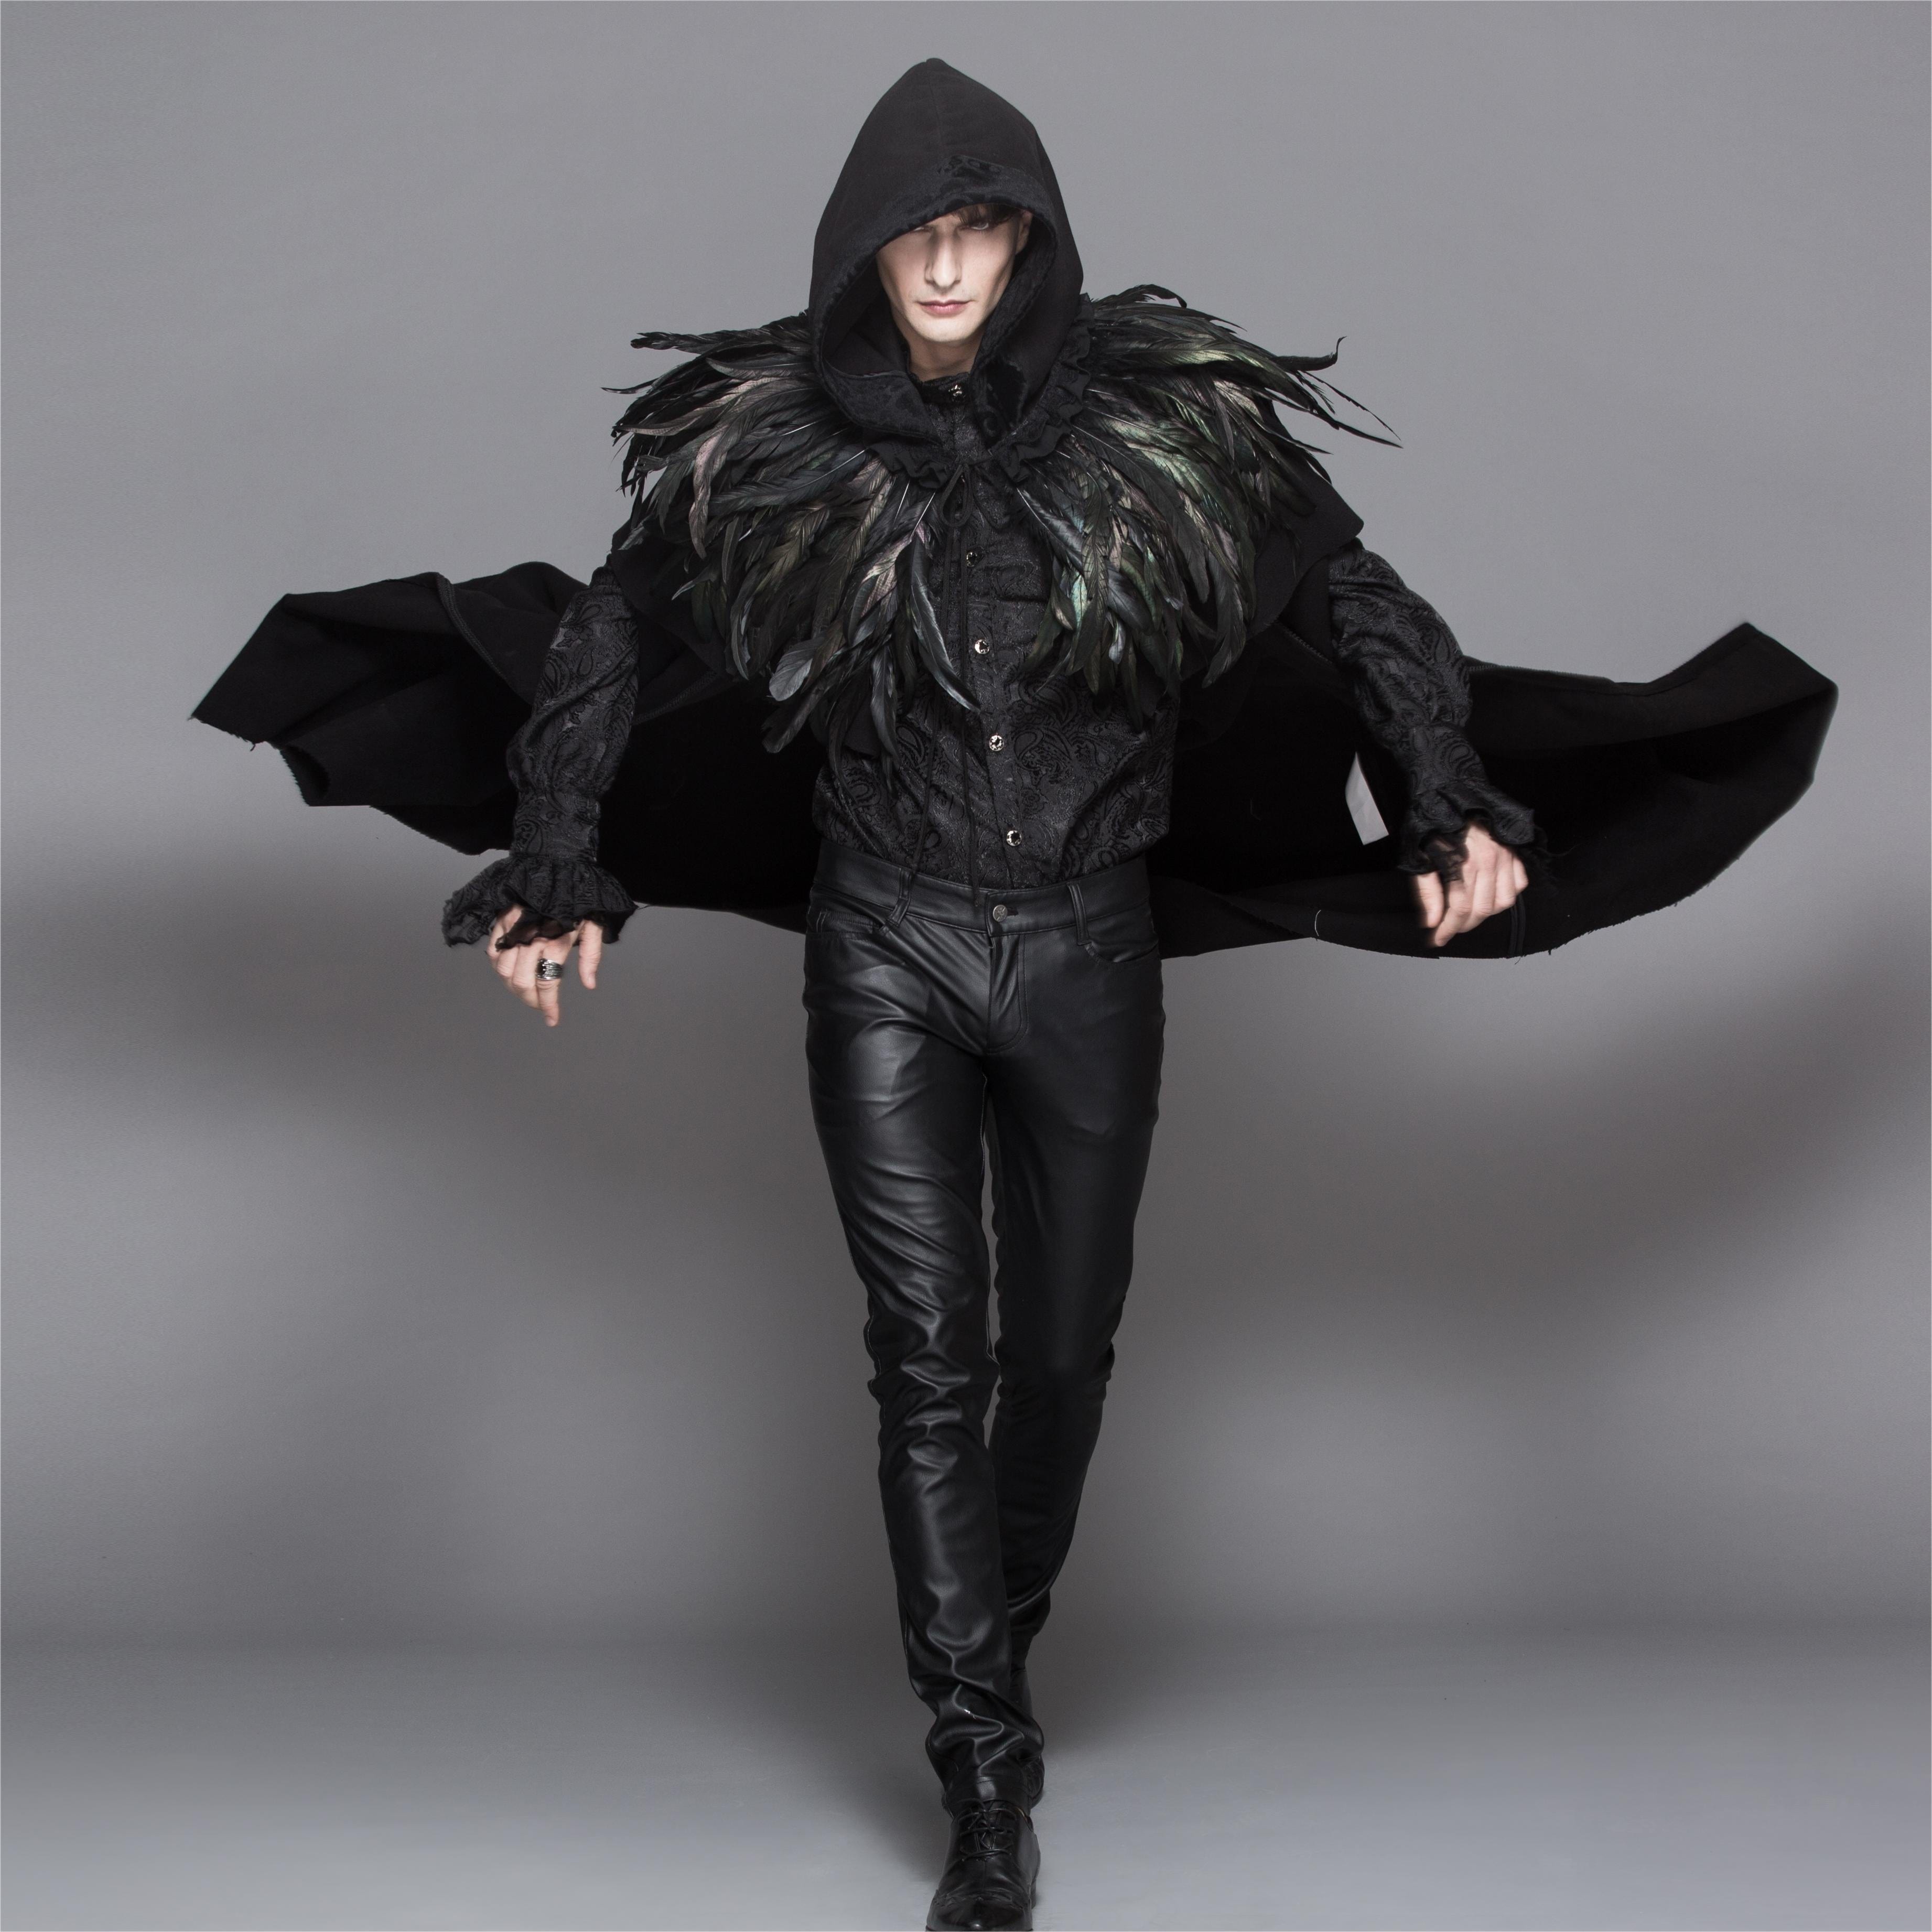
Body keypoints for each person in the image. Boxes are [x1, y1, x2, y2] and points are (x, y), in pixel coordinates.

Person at [194, 59, 1833, 1932]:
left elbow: (1359, 608)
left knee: (1059, 1357)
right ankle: (986, 1776)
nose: (950, 264)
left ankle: (994, 1639)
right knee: (926, 1361)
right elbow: (608, 635)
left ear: (1034, 240)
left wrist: (1445, 799)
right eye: (918, 232)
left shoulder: (1166, 431)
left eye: (983, 227)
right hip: (883, 942)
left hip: (1084, 947)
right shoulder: (767, 442)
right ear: (862, 249)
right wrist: (560, 857)